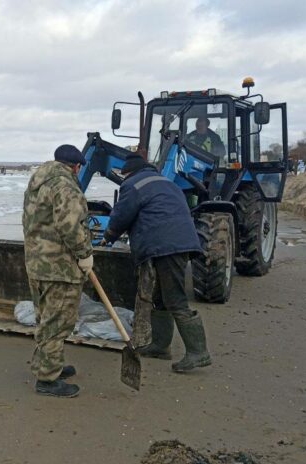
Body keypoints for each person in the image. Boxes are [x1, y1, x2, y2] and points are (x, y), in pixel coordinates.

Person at [102, 153, 212, 373]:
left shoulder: (133, 185)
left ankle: (198, 352)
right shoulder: (166, 183)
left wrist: (108, 237)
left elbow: (121, 215)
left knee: (175, 298)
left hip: (165, 247)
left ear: (128, 172)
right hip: (179, 243)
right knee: (160, 297)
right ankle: (160, 346)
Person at [22, 144, 93, 398]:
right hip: (59, 268)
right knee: (58, 321)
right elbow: (71, 226)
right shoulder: (65, 186)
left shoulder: (38, 182)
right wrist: (85, 255)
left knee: (45, 318)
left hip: (37, 264)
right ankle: (47, 380)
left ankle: (48, 365)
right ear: (75, 166)